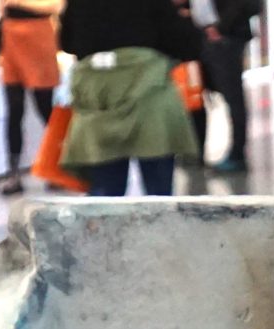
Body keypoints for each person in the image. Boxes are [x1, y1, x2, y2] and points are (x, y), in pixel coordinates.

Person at [58, 0, 204, 195]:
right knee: (157, 192)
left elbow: (67, 43)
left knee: (105, 193)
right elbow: (188, 45)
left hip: (99, 99)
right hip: (148, 95)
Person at [0, 0, 66, 195]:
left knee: (45, 107)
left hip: (39, 35)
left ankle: (57, 167)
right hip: (11, 35)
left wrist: (21, 2)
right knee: (14, 109)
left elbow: (57, 5)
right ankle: (13, 174)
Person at [201, 0, 254, 171]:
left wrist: (219, 28)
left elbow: (245, 5)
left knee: (233, 97)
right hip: (210, 36)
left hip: (226, 38)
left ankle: (237, 153)